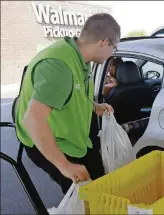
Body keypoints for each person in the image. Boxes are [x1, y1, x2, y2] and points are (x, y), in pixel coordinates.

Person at [14, 13, 121, 194]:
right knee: (83, 194)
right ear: (105, 42)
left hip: (75, 139)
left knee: (100, 182)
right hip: (49, 140)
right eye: (114, 48)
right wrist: (65, 166)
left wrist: (95, 106)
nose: (112, 54)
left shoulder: (81, 60)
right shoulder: (58, 66)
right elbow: (33, 120)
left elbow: (74, 93)